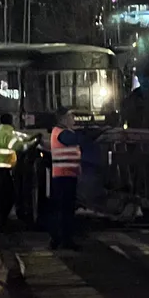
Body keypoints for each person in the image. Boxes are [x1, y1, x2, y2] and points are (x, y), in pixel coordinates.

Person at [49, 106, 81, 250]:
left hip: (66, 175)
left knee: (63, 209)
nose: (73, 119)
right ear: (63, 119)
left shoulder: (62, 132)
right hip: (64, 176)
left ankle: (59, 239)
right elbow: (78, 140)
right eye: (70, 116)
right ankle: (63, 240)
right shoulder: (62, 133)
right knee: (65, 210)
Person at [0, 113, 25, 229]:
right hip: (1, 169)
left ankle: (0, 221)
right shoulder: (7, 133)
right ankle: (0, 223)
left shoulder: (3, 131)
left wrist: (30, 138)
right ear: (11, 121)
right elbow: (18, 146)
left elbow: (19, 137)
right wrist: (31, 143)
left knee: (1, 196)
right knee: (8, 195)